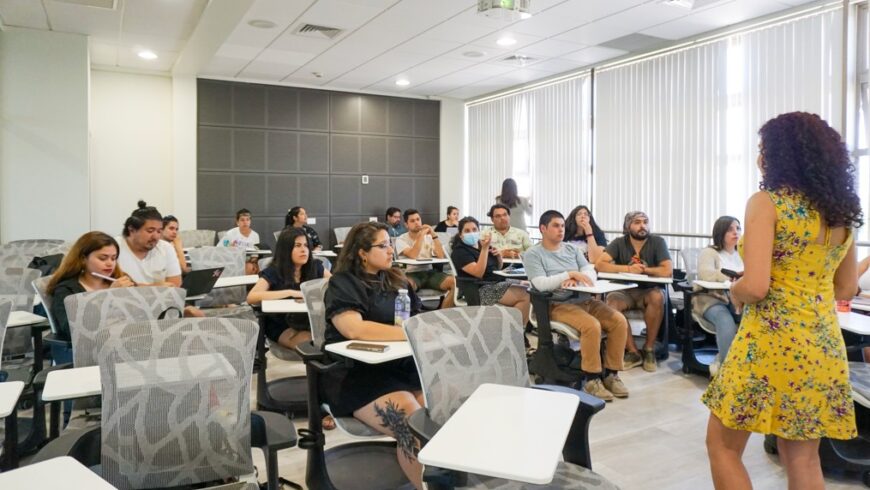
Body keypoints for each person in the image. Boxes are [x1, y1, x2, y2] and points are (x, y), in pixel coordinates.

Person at [702, 112, 862, 490]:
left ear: (783, 154)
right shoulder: (840, 214)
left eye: (764, 148)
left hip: (770, 343)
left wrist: (734, 291)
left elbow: (756, 286)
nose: (760, 157)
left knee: (722, 446)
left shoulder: (767, 203)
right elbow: (846, 288)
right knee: (803, 459)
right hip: (822, 345)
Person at [323, 222, 425, 489]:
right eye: (383, 245)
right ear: (362, 253)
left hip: (402, 367)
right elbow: (354, 329)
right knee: (410, 421)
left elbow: (419, 320)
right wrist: (408, 333)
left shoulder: (397, 279)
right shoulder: (343, 283)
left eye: (390, 244)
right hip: (358, 373)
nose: (391, 250)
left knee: (436, 415)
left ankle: (440, 479)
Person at [524, 210, 629, 401]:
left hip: (585, 300)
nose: (561, 230)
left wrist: (579, 277)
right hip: (558, 305)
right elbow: (540, 284)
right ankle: (592, 379)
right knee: (591, 326)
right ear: (543, 229)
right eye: (556, 226)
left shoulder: (572, 250)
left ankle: (611, 374)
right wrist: (569, 274)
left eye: (563, 226)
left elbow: (591, 271)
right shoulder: (533, 254)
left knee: (619, 321)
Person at [596, 211, 673, 372]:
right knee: (611, 303)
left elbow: (667, 270)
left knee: (657, 297)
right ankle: (633, 351)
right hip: (625, 291)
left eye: (645, 222)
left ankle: (649, 348)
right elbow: (600, 265)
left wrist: (645, 270)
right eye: (637, 222)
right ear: (628, 226)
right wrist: (629, 269)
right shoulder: (619, 243)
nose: (642, 226)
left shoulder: (658, 242)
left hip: (648, 291)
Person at [46, 232, 135, 354]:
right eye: (102, 258)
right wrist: (108, 296)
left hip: (127, 344)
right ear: (83, 259)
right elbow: (73, 329)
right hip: (90, 351)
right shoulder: (67, 290)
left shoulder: (121, 281)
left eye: (113, 258)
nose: (110, 263)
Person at [116, 201, 204, 317]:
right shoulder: (114, 248)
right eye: (150, 231)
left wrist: (141, 287)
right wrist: (155, 287)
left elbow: (174, 288)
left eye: (159, 231)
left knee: (195, 314)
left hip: (161, 305)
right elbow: (117, 289)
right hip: (126, 307)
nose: (156, 236)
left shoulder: (165, 248)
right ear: (132, 230)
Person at [247, 227, 331, 349]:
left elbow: (336, 286)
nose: (304, 250)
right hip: (282, 324)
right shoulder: (274, 271)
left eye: (306, 245)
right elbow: (252, 297)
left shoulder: (316, 267)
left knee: (331, 338)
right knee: (313, 342)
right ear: (286, 249)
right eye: (298, 246)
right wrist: (290, 292)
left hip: (311, 321)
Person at [450, 216, 531, 326]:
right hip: (480, 288)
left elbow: (497, 268)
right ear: (460, 234)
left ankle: (516, 327)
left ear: (479, 231)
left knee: (529, 285)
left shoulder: (481, 245)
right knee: (525, 294)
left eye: (474, 229)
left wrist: (498, 257)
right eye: (467, 231)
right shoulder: (460, 252)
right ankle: (516, 329)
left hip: (496, 282)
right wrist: (484, 250)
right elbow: (478, 273)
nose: (472, 233)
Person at [693, 216, 744, 372]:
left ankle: (739, 363)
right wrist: (732, 277)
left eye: (738, 228)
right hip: (711, 299)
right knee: (724, 319)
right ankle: (726, 368)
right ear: (720, 232)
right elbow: (706, 274)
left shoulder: (743, 253)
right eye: (730, 229)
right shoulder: (709, 252)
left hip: (739, 300)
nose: (736, 232)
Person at [396, 209, 456, 308]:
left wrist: (434, 235)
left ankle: (443, 313)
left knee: (455, 283)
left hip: (429, 273)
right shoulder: (401, 239)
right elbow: (413, 255)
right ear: (406, 225)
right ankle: (413, 312)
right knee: (405, 285)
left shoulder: (428, 238)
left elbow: (440, 256)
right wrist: (421, 235)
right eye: (412, 221)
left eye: (418, 219)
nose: (416, 223)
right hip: (411, 274)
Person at [220, 208, 261, 275]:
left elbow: (255, 255)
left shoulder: (255, 235)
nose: (245, 222)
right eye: (242, 220)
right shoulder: (230, 234)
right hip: (233, 261)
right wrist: (230, 247)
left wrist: (254, 262)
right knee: (249, 267)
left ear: (250, 221)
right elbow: (220, 249)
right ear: (237, 222)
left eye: (247, 219)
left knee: (259, 268)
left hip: (249, 261)